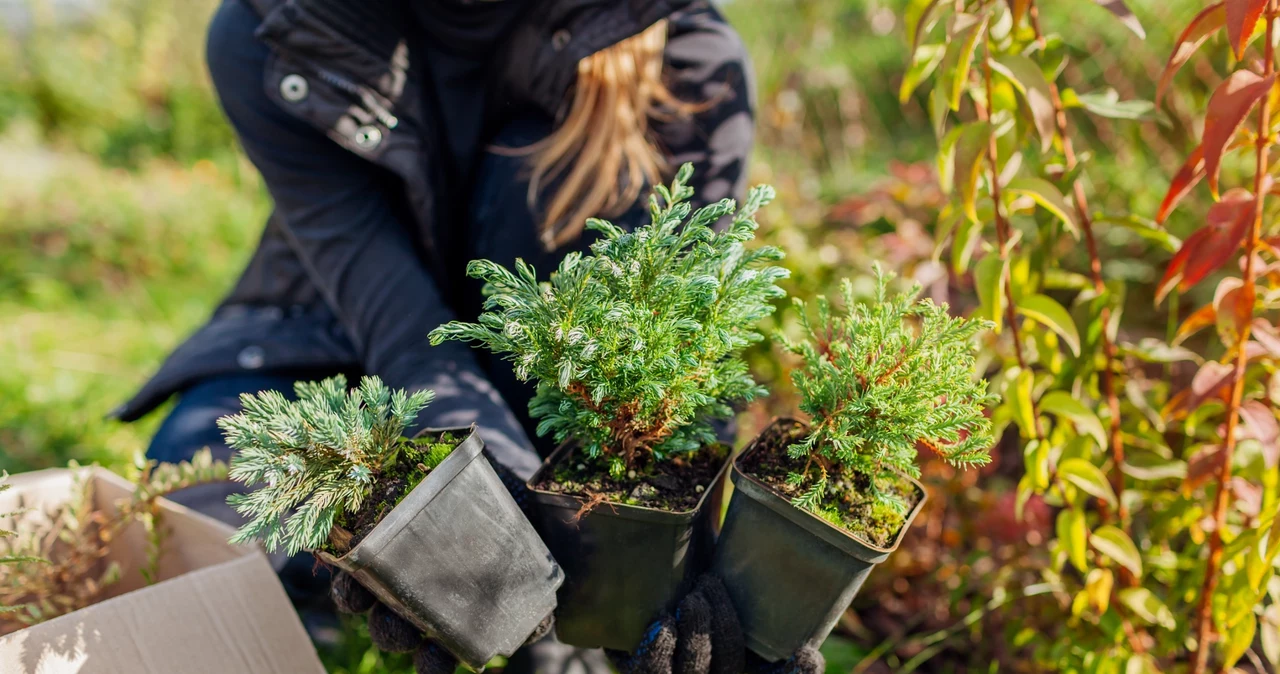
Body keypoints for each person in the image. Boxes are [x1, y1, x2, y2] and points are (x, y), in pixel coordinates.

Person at [111, 0, 822, 672]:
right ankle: (339, 591)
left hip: (558, 381)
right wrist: (480, 501)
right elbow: (400, 321)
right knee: (193, 510)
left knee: (532, 177)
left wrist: (662, 561)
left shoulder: (686, 60)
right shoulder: (277, 35)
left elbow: (678, 347)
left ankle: (537, 608)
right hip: (338, 338)